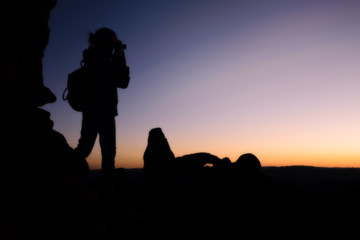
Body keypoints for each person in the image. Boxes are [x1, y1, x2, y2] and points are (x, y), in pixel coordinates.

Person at [74, 28, 130, 191]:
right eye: (112, 42)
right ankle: (60, 175)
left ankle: (107, 191)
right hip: (99, 110)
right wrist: (120, 56)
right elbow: (123, 81)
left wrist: (117, 56)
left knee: (100, 151)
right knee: (91, 150)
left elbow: (121, 81)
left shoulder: (95, 57)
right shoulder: (101, 60)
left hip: (102, 111)